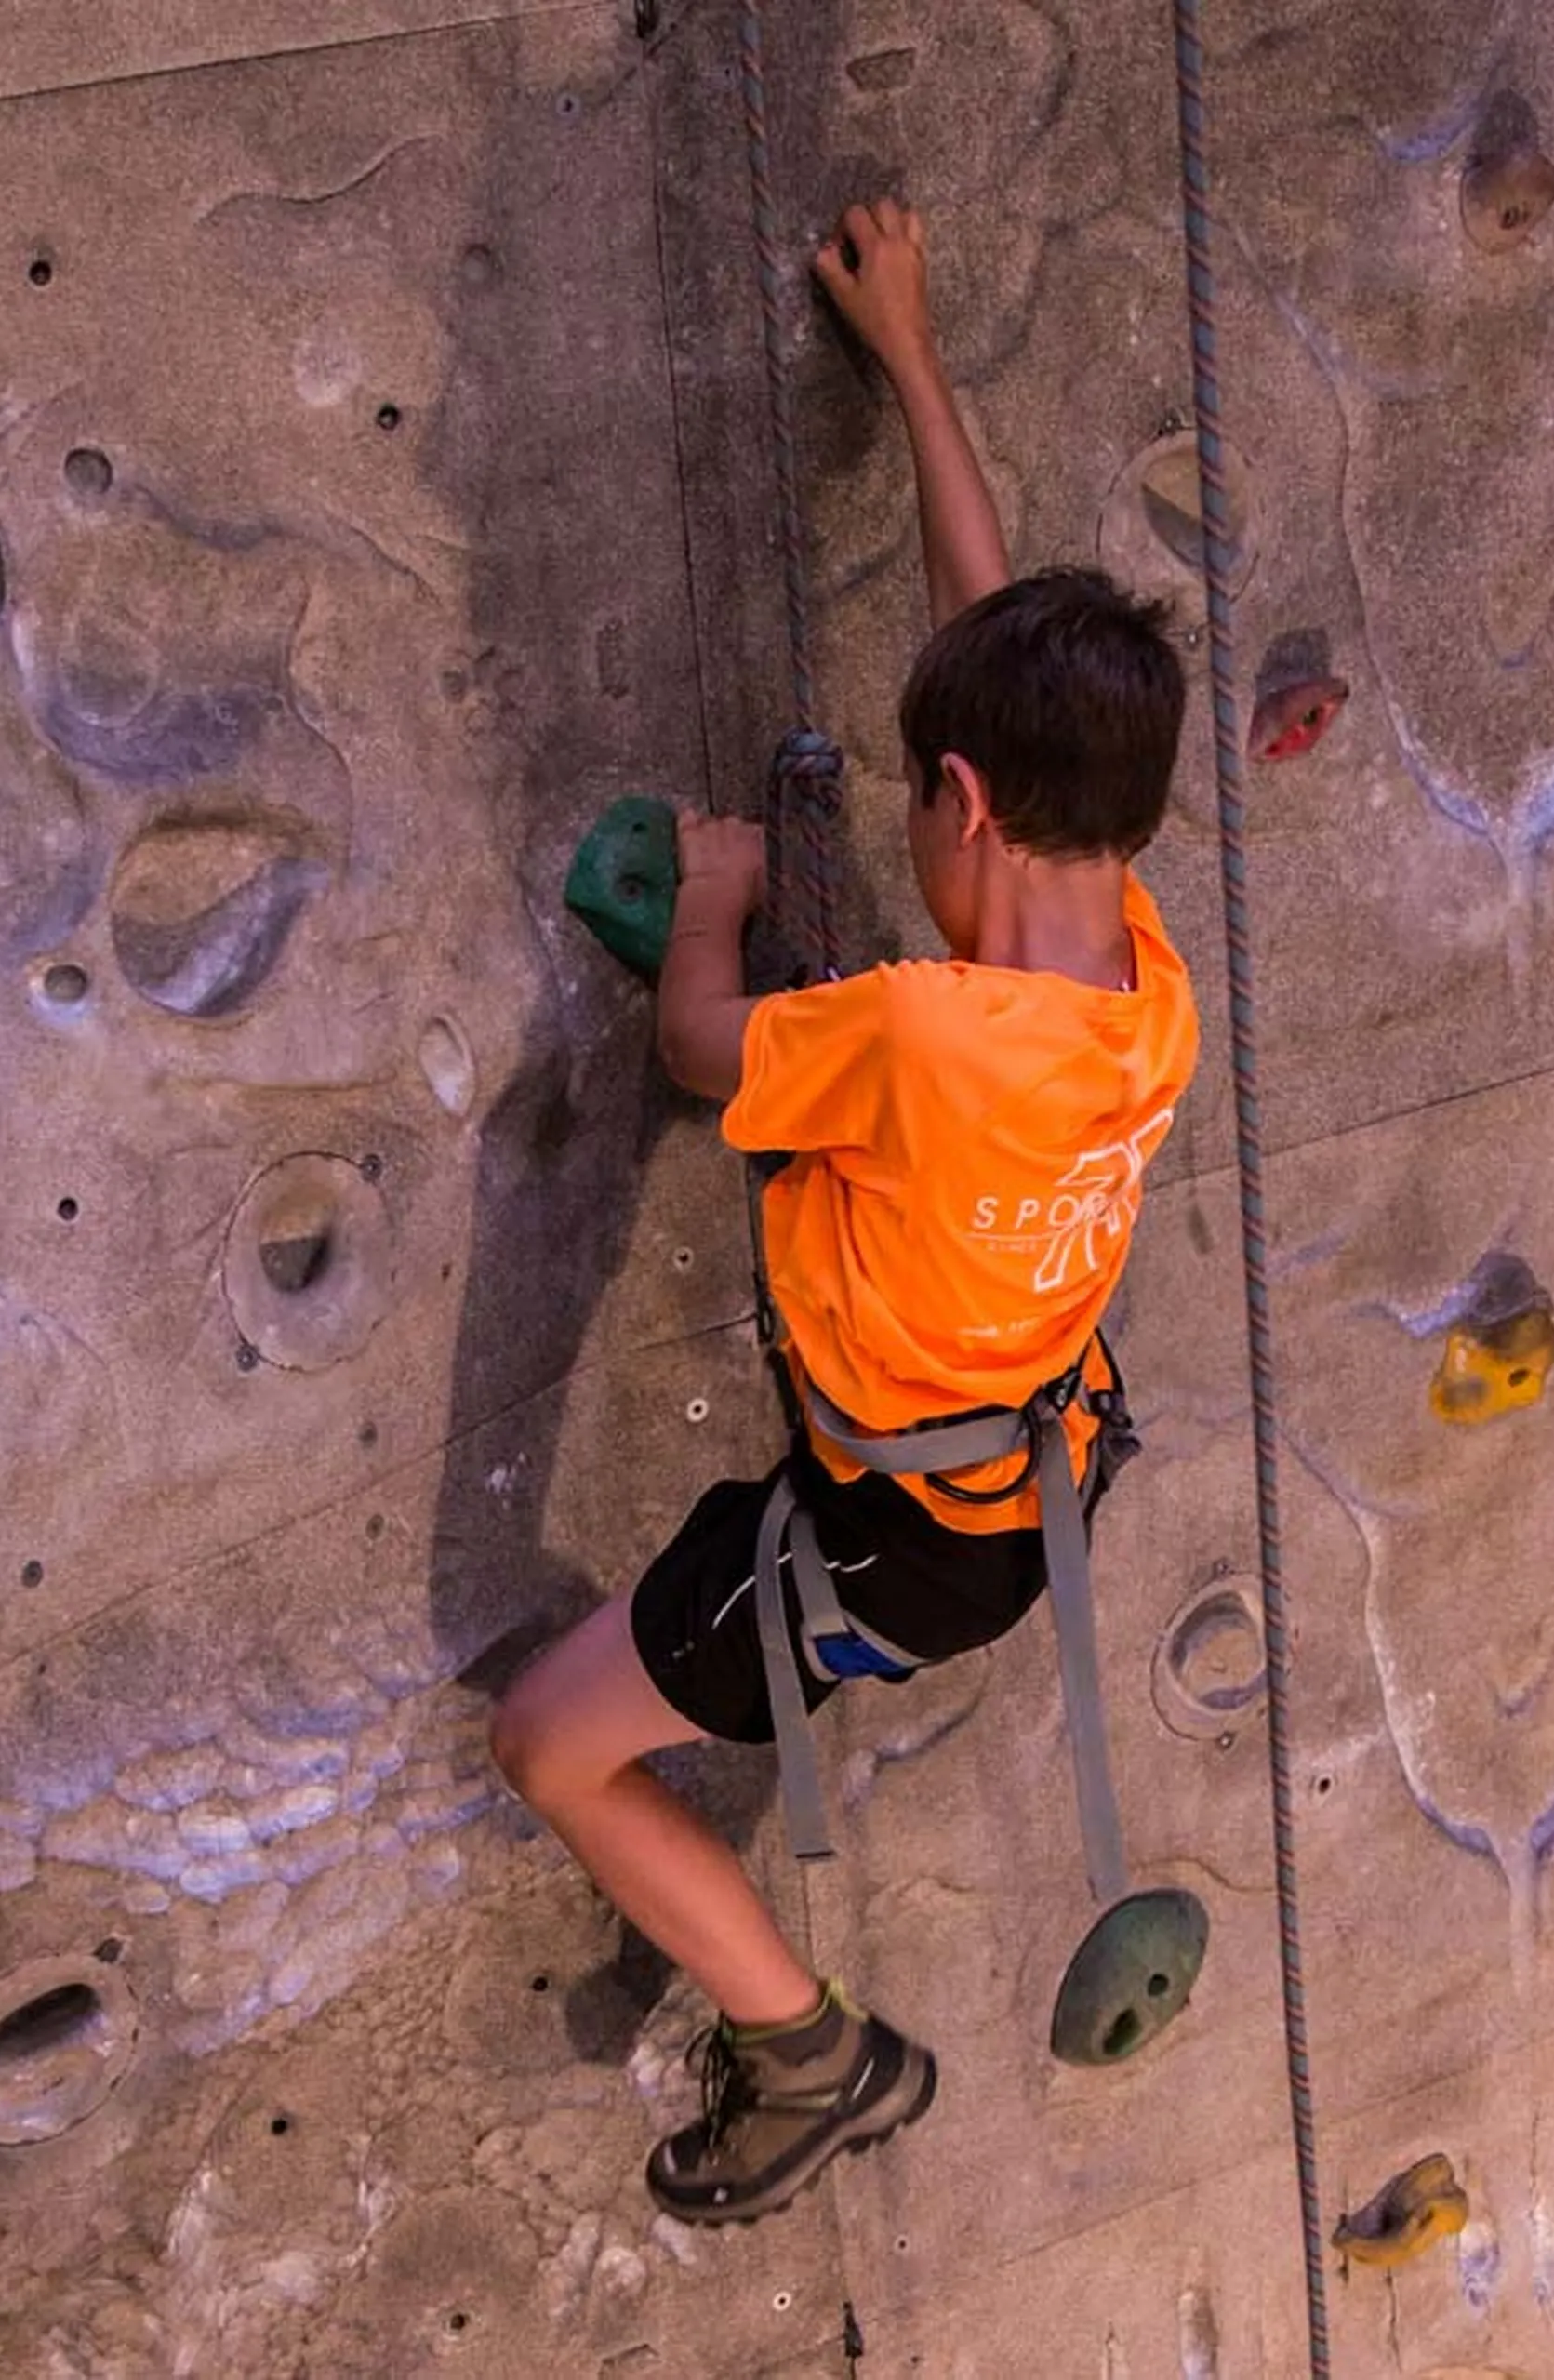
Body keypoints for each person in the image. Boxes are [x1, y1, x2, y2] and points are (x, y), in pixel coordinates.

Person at [488, 195, 1202, 2225]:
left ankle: (813, 2056)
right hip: (1011, 1481)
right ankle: (802, 2036)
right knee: (604, 1703)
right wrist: (914, 362)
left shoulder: (914, 1032)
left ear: (964, 809)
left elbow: (709, 1048)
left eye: (914, 797)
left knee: (551, 1745)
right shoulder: (1138, 993)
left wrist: (712, 901)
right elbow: (996, 672)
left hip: (886, 1541)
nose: (913, 821)